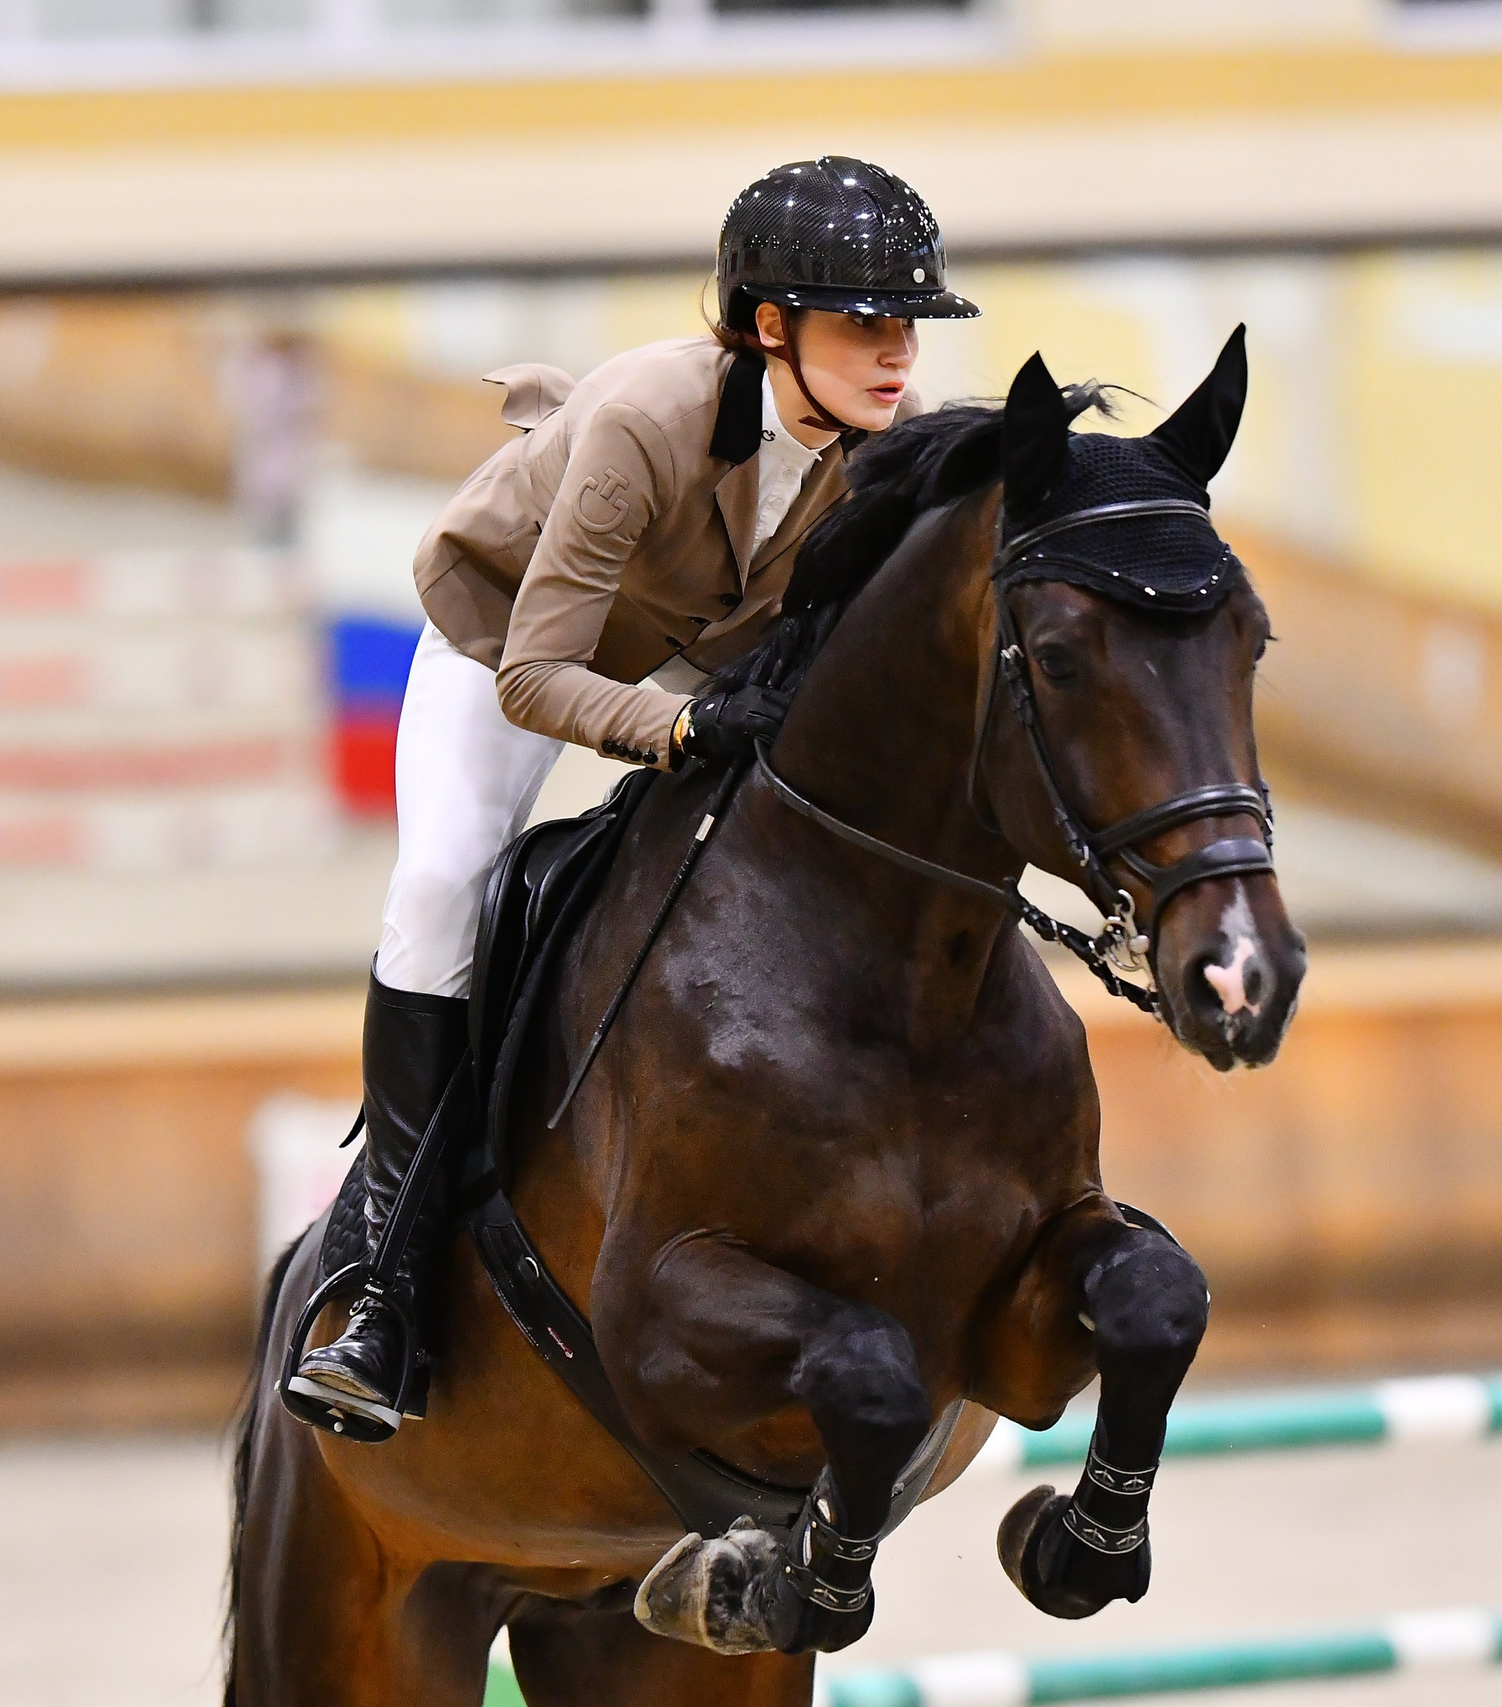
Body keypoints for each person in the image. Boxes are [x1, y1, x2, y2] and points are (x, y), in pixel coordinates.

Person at [288, 157, 979, 1437]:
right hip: (504, 638)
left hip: (686, 635)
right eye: (863, 325)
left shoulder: (872, 429)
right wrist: (681, 725)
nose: (896, 356)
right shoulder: (643, 419)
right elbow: (542, 677)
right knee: (442, 884)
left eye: (906, 326)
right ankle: (378, 1279)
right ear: (770, 327)